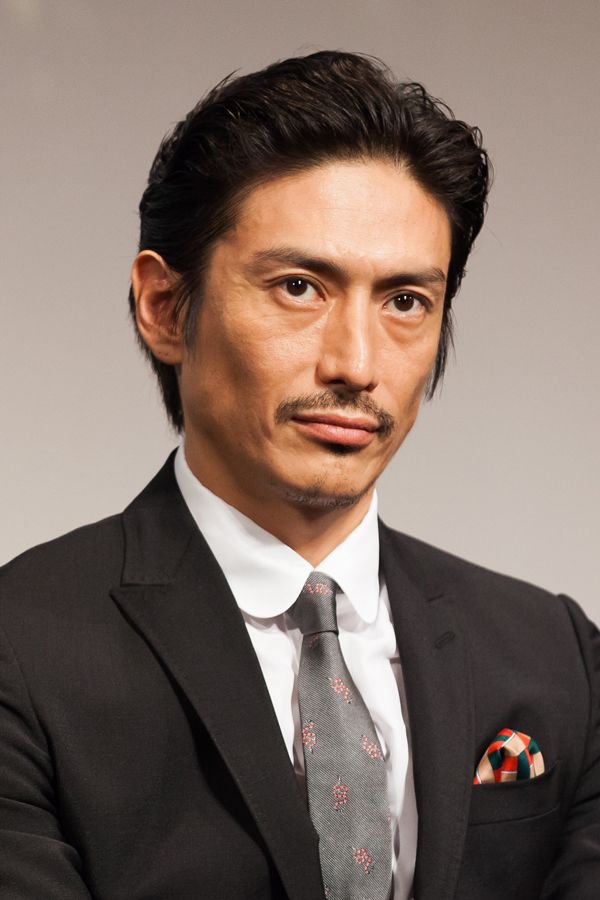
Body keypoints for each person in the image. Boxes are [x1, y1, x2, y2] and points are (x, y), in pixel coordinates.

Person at [0, 50, 598, 900]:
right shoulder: (23, 650)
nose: (357, 363)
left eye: (405, 301)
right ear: (163, 307)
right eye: (298, 287)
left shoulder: (556, 655)